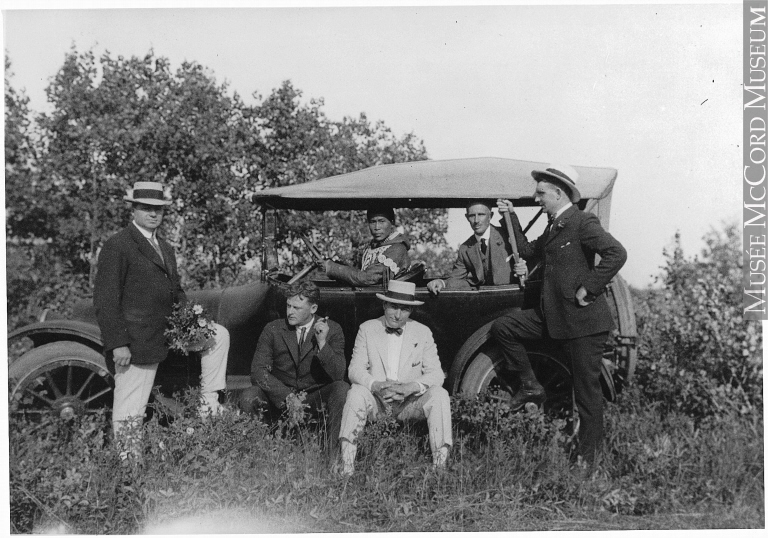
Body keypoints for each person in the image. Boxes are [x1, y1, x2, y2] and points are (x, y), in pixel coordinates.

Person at [491, 164, 627, 465]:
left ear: (558, 192)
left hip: (582, 324)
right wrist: (509, 215)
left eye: (540, 193)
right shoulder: (554, 227)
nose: (536, 198)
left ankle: (589, 464)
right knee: (504, 327)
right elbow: (526, 251)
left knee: (586, 396)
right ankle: (530, 385)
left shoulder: (581, 222)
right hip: (552, 317)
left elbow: (617, 253)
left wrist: (588, 289)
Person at [94, 181, 229, 451]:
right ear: (133, 209)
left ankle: (209, 404)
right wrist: (118, 343)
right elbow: (106, 299)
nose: (153, 214)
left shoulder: (165, 247)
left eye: (159, 209)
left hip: (169, 332)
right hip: (137, 341)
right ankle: (127, 465)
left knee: (218, 336)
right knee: (131, 407)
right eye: (146, 208)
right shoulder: (118, 245)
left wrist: (192, 321)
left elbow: (175, 290)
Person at [338, 280, 452, 475]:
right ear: (384, 305)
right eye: (393, 307)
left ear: (411, 311)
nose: (397, 315)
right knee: (356, 392)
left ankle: (439, 467)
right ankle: (347, 466)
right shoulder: (368, 329)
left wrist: (410, 387)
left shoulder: (422, 332)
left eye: (404, 309)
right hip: (378, 402)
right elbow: (355, 369)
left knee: (439, 394)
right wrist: (376, 385)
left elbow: (436, 374)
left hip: (409, 403)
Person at [244, 281, 348, 451]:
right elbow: (258, 371)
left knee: (341, 389)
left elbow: (338, 374)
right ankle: (257, 454)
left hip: (314, 399)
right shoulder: (273, 329)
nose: (290, 312)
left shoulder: (333, 330)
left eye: (297, 308)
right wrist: (288, 397)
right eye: (288, 306)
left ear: (313, 309)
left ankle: (333, 459)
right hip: (280, 399)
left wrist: (322, 343)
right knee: (249, 395)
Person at [427, 200, 515, 294]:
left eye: (481, 214)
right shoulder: (464, 249)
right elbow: (456, 278)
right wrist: (441, 283)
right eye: (472, 215)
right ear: (467, 217)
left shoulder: (508, 236)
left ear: (490, 216)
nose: (476, 220)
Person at [323, 207, 410, 286]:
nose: (377, 227)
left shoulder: (397, 249)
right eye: (372, 222)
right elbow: (356, 273)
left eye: (381, 221)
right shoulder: (369, 247)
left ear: (392, 222)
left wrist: (331, 267)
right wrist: (335, 265)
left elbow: (366, 278)